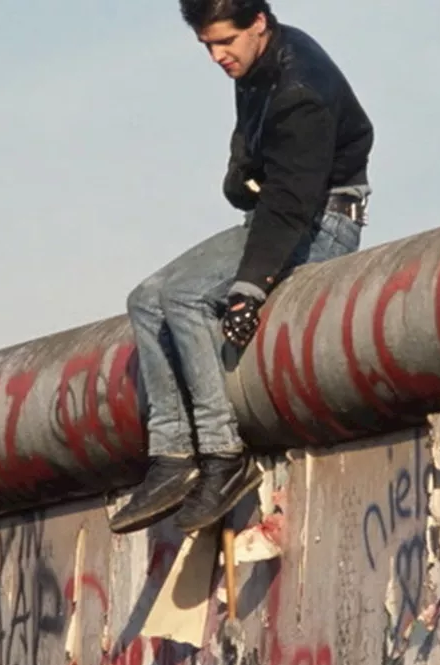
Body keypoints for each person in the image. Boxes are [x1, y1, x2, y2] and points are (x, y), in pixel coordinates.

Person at [109, 0, 374, 535]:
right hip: (278, 212)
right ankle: (172, 456)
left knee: (183, 295)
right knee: (144, 298)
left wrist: (249, 289)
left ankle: (225, 456)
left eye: (224, 42)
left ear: (259, 24)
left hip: (321, 222)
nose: (216, 56)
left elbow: (290, 206)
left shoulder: (301, 91)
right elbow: (248, 135)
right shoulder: (256, 62)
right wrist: (238, 171)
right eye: (207, 45)